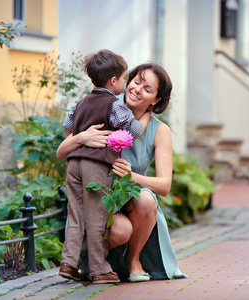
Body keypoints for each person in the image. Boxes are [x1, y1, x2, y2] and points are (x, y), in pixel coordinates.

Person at [57, 63, 187, 282]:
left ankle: (134, 260)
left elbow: (164, 186)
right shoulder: (105, 109)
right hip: (98, 201)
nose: (137, 89)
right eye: (136, 82)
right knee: (120, 231)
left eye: (148, 89)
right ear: (126, 81)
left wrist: (131, 176)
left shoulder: (160, 131)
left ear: (156, 99)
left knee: (146, 199)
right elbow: (61, 152)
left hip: (130, 201)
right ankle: (94, 263)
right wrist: (81, 137)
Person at [58, 49, 150, 284]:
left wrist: (83, 137)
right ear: (113, 81)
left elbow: (69, 128)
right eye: (123, 78)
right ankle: (99, 269)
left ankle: (68, 262)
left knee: (76, 215)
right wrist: (147, 115)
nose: (125, 83)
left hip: (74, 163)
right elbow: (135, 131)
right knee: (97, 216)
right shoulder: (114, 104)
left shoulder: (82, 102)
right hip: (95, 166)